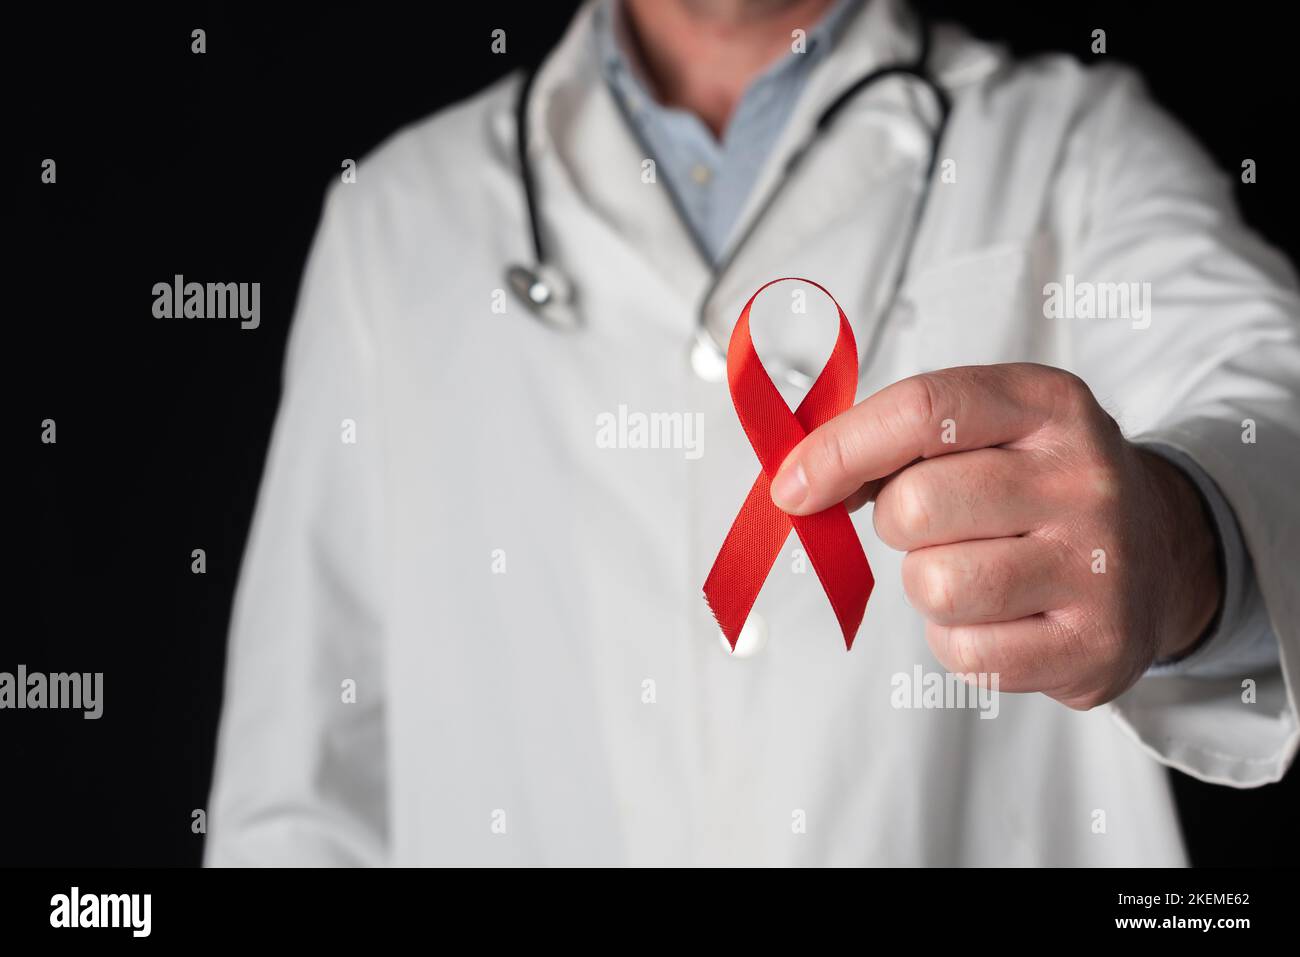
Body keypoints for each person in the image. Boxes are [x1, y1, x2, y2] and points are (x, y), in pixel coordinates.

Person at [204, 0, 1299, 865]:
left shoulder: (1067, 143)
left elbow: (1273, 399)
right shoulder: (395, 218)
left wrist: (1175, 536)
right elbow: (301, 797)